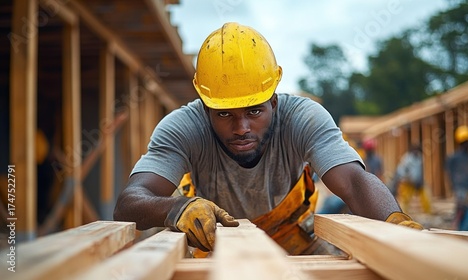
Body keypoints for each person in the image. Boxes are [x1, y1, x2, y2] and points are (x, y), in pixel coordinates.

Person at [113, 22, 422, 256]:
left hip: (294, 237)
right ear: (206, 108)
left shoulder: (303, 118)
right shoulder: (182, 128)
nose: (242, 127)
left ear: (274, 101)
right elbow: (129, 203)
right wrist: (176, 208)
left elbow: (353, 181)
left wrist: (393, 221)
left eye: (254, 111)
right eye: (224, 114)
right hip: (214, 241)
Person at [392, 144, 431, 214]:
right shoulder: (407, 159)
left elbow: (419, 170)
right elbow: (401, 170)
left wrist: (420, 180)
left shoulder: (420, 158)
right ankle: (403, 213)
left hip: (418, 182)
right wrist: (407, 177)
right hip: (408, 182)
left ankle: (428, 213)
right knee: (405, 200)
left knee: (426, 198)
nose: (416, 152)